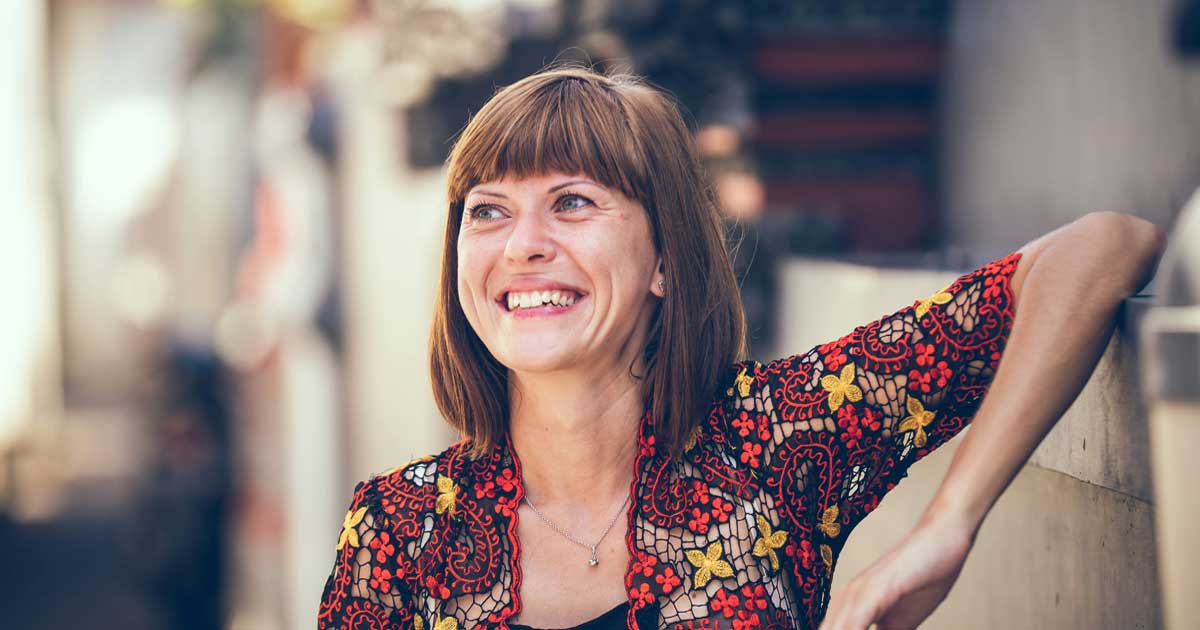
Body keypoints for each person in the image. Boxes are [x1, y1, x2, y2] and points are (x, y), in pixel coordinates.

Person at [317, 66, 1165, 630]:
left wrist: (950, 524)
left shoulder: (778, 437)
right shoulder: (398, 530)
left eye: (572, 202)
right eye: (488, 211)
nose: (522, 245)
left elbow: (1104, 247)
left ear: (663, 257)